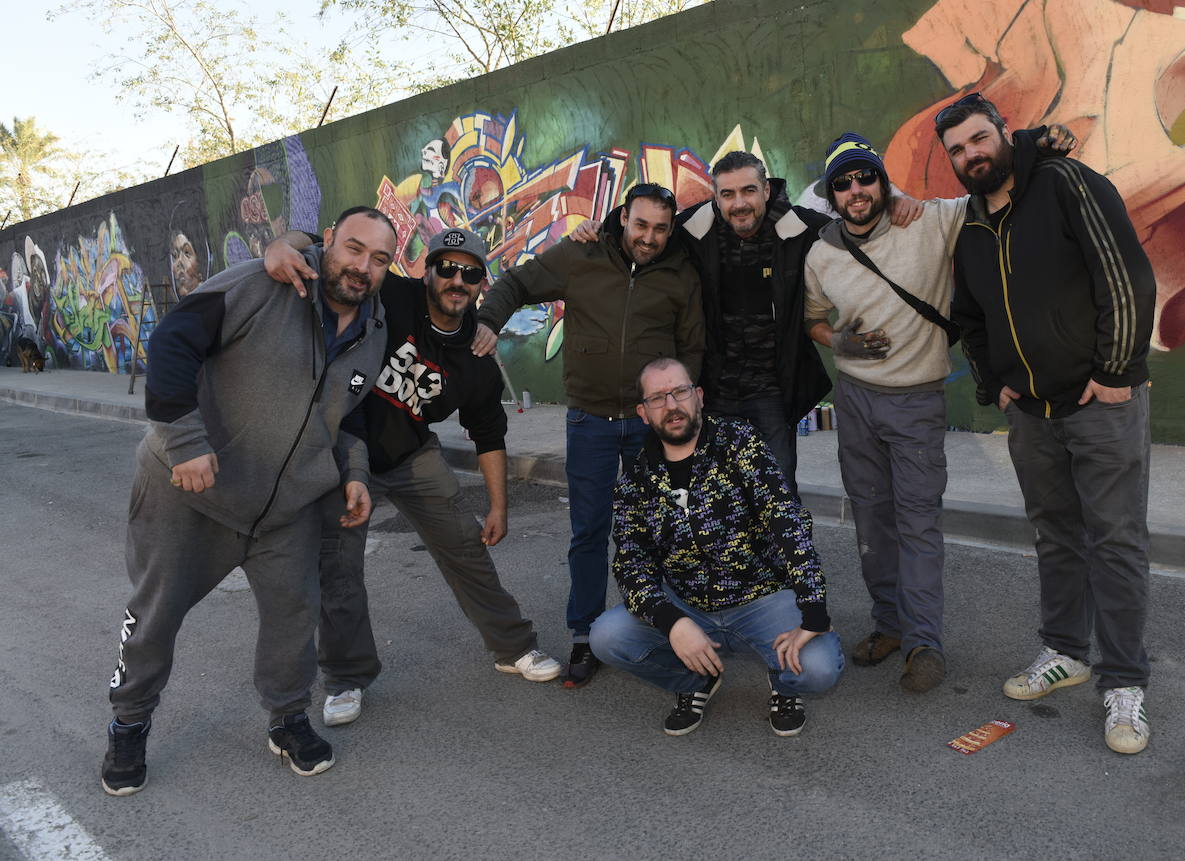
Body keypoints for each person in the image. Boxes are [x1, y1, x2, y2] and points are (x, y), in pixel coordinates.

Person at [101, 207, 396, 796]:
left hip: (286, 508)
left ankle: (287, 719)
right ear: (328, 241)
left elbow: (350, 410)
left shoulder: (375, 327)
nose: (363, 267)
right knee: (154, 617)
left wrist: (354, 472)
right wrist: (185, 443)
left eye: (380, 259)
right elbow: (171, 344)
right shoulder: (261, 283)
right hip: (189, 493)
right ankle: (129, 724)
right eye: (354, 249)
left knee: (293, 615)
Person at [803, 127, 1075, 695]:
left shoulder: (930, 219)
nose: (857, 189)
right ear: (831, 195)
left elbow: (993, 178)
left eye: (866, 176)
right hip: (855, 402)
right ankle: (890, 626)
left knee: (918, 524)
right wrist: (840, 343)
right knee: (872, 523)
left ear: (882, 179)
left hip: (916, 403)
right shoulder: (821, 254)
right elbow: (813, 320)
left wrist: (1037, 143)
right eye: (843, 183)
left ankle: (925, 642)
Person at [263, 225, 562, 729]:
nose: (456, 280)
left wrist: (499, 507)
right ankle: (346, 677)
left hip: (411, 454)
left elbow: (488, 434)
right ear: (427, 271)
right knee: (339, 569)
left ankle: (514, 647)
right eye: (447, 267)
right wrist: (279, 247)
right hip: (344, 453)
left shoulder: (479, 358)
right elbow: (325, 246)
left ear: (479, 285)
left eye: (470, 273)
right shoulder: (392, 295)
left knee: (466, 548)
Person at [936, 94, 1157, 754]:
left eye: (979, 139)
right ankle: (1066, 651)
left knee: (1115, 541)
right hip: (1031, 411)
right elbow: (969, 317)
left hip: (1101, 403)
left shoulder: (1066, 184)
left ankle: (1125, 683)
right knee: (1055, 534)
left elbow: (1126, 277)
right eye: (957, 150)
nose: (971, 154)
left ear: (1004, 133)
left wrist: (1117, 371)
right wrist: (994, 383)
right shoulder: (972, 225)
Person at [571, 154, 923, 491]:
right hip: (712, 392)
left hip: (773, 391)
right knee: (717, 500)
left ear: (766, 190)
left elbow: (856, 223)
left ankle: (783, 555)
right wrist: (598, 228)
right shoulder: (693, 230)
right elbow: (644, 231)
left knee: (778, 495)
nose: (738, 203)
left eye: (748, 191)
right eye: (727, 194)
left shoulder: (800, 229)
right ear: (716, 197)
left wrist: (895, 202)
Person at [473, 184, 705, 687]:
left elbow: (692, 350)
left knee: (666, 531)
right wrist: (488, 320)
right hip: (591, 422)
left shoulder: (680, 272)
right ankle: (585, 634)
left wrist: (684, 413)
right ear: (623, 218)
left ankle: (670, 627)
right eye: (641, 225)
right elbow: (516, 282)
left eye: (661, 228)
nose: (649, 237)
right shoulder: (581, 253)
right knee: (589, 532)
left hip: (652, 426)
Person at [589, 358, 843, 736]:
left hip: (763, 598)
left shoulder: (739, 441)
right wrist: (671, 622)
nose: (672, 405)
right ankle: (695, 680)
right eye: (658, 398)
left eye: (680, 391)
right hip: (687, 604)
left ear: (699, 396)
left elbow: (787, 520)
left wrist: (813, 611)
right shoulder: (635, 482)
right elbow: (631, 564)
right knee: (606, 636)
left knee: (820, 667)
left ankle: (783, 683)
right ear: (643, 413)